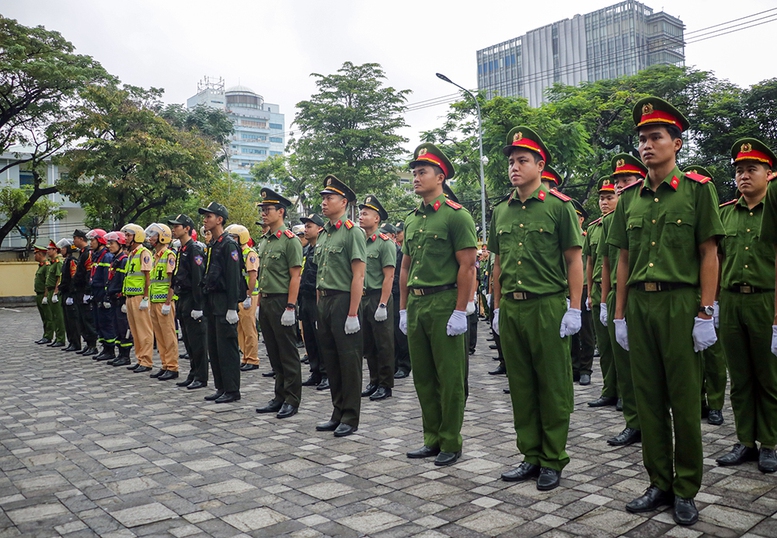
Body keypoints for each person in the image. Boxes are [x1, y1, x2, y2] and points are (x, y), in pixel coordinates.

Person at [609, 97, 724, 526]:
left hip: (680, 303)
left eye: (655, 137)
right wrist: (619, 314)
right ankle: (658, 481)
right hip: (640, 303)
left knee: (683, 399)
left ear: (676, 142)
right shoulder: (629, 199)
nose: (646, 145)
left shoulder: (697, 190)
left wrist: (705, 312)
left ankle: (686, 487)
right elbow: (622, 259)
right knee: (649, 399)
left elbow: (708, 253)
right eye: (641, 138)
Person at [490, 127, 583, 490]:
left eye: (522, 160)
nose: (514, 167)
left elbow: (574, 261)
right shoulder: (501, 210)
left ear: (540, 165)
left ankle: (553, 458)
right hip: (512, 308)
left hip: (546, 305)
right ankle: (529, 454)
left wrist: (574, 308)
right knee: (522, 385)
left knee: (552, 385)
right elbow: (497, 264)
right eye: (511, 161)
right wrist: (496, 307)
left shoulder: (560, 207)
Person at [400, 143, 477, 466]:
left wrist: (461, 310)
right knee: (424, 377)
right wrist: (403, 309)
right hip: (417, 305)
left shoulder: (456, 216)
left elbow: (468, 266)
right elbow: (405, 267)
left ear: (440, 176)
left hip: (445, 301)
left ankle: (450, 440)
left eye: (422, 172)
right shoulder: (412, 220)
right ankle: (431, 437)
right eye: (414, 173)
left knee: (450, 378)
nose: (416, 178)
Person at [718, 138, 777, 473]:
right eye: (739, 170)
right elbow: (718, 259)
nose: (743, 176)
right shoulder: (726, 214)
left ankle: (769, 443)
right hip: (731, 301)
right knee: (739, 377)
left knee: (768, 376)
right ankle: (745, 441)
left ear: (768, 174)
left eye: (751, 169)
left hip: (765, 300)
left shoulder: (775, 210)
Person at [596, 153, 647, 448]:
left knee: (648, 367)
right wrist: (607, 304)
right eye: (616, 181)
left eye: (625, 180)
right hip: (619, 293)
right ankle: (633, 422)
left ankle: (653, 419)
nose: (619, 187)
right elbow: (606, 263)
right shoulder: (612, 220)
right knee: (624, 365)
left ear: (640, 179)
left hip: (646, 294)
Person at [314, 174, 366, 437]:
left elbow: (358, 274)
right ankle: (337, 411)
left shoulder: (352, 232)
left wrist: (353, 313)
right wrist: (318, 307)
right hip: (325, 301)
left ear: (343, 201)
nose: (324, 202)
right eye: (323, 197)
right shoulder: (323, 234)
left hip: (345, 300)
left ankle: (351, 416)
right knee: (331, 360)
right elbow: (318, 275)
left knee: (348, 361)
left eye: (329, 197)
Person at [683, 165, 728, 426]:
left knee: (713, 355)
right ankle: (698, 400)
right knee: (691, 355)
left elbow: (717, 258)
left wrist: (715, 302)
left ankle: (716, 404)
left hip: (709, 296)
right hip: (687, 294)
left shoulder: (715, 213)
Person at [254, 188, 304, 419]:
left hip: (282, 301)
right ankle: (279, 395)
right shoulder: (265, 241)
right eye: (262, 209)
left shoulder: (290, 241)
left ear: (281, 212)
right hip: (266, 301)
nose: (264, 213)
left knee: (287, 353)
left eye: (268, 209)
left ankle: (292, 399)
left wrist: (291, 307)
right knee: (273, 353)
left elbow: (295, 275)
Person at [199, 202, 243, 404]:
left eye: (209, 216)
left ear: (220, 219)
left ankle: (232, 389)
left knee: (227, 348)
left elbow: (234, 277)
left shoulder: (229, 244)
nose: (205, 220)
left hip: (225, 302)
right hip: (212, 301)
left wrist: (233, 307)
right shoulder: (214, 244)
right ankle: (221, 386)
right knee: (215, 348)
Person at [358, 194, 396, 401]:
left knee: (383, 343)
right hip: (363, 298)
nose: (361, 217)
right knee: (369, 344)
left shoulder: (384, 243)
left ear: (377, 219)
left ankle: (385, 384)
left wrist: (382, 303)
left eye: (366, 214)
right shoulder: (360, 242)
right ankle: (373, 381)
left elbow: (389, 276)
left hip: (378, 298)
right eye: (361, 213)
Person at [168, 214, 209, 390]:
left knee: (197, 341)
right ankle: (193, 373)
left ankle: (201, 376)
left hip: (192, 299)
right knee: (188, 340)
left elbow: (198, 278)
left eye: (177, 226)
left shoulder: (194, 249)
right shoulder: (182, 249)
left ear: (186, 228)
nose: (173, 229)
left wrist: (199, 305)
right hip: (182, 297)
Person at [585, 182, 617, 392]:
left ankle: (625, 393)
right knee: (604, 346)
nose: (604, 203)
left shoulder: (622, 222)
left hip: (617, 289)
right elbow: (589, 261)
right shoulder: (594, 228)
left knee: (620, 346)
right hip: (597, 289)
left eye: (609, 198)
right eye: (601, 199)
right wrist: (589, 294)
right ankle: (609, 389)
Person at [145, 223, 179, 380]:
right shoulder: (155, 256)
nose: (150, 238)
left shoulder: (169, 256)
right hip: (154, 300)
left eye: (154, 235)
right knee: (159, 335)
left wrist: (167, 302)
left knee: (168, 335)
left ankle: (172, 366)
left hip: (164, 302)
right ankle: (165, 364)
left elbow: (172, 281)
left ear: (162, 237)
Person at [224, 224, 260, 372]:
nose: (231, 239)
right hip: (239, 294)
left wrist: (248, 295)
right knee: (240, 328)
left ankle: (253, 358)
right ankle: (245, 356)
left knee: (249, 327)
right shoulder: (237, 252)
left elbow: (252, 276)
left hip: (248, 295)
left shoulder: (249, 253)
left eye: (234, 237)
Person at [299, 213, 327, 389]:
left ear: (320, 229)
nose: (305, 229)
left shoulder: (322, 248)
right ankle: (315, 371)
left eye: (309, 226)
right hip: (305, 297)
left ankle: (326, 374)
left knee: (321, 338)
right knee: (309, 337)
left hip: (318, 297)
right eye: (305, 226)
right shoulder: (306, 249)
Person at [120, 223, 154, 373]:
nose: (126, 238)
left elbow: (148, 277)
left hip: (140, 297)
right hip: (130, 296)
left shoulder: (143, 253)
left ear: (137, 236)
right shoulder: (131, 254)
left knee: (143, 331)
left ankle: (146, 361)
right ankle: (140, 358)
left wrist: (146, 298)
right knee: (134, 331)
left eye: (128, 235)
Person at [571, 200, 594, 385]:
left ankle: (586, 368)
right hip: (566, 288)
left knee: (585, 332)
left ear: (581, 220)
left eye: (576, 217)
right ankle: (573, 367)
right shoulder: (562, 237)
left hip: (585, 288)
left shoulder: (587, 237)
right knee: (569, 332)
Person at [103, 231, 133, 367]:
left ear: (120, 244)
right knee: (116, 327)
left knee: (123, 328)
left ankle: (125, 355)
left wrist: (124, 297)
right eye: (109, 243)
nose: (109, 246)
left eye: (112, 243)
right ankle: (120, 354)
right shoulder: (116, 260)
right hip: (114, 299)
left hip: (120, 299)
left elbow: (124, 281)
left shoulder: (124, 260)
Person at [86, 229, 116, 361]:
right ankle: (104, 347)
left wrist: (106, 297)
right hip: (96, 293)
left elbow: (107, 279)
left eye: (93, 240)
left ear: (100, 241)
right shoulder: (97, 255)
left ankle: (110, 350)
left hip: (103, 294)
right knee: (98, 323)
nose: (90, 243)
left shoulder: (107, 256)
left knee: (106, 323)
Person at [72, 229, 98, 356]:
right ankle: (88, 343)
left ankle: (92, 344)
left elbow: (89, 274)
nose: (73, 241)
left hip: (84, 290)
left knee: (87, 319)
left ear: (81, 239)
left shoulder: (88, 253)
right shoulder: (82, 253)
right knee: (81, 319)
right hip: (79, 290)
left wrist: (87, 291)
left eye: (75, 238)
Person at [58, 238, 81, 352]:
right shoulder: (66, 261)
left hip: (70, 294)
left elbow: (73, 278)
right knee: (67, 320)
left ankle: (76, 342)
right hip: (65, 293)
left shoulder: (72, 261)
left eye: (63, 248)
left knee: (73, 320)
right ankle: (71, 341)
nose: (61, 250)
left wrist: (71, 295)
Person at [44, 240, 66, 348]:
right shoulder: (52, 263)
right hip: (50, 290)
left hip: (55, 291)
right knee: (53, 316)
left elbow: (59, 278)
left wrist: (55, 293)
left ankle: (61, 338)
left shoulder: (58, 262)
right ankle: (57, 337)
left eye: (49, 249)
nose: (47, 251)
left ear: (55, 250)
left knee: (58, 317)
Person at [32, 244, 53, 344]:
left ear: (40, 254)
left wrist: (45, 296)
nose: (34, 256)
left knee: (48, 317)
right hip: (39, 294)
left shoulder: (46, 266)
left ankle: (48, 336)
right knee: (44, 317)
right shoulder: (41, 266)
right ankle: (45, 334)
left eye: (35, 254)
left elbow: (47, 282)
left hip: (43, 294)